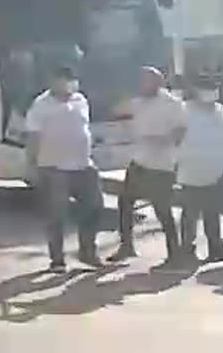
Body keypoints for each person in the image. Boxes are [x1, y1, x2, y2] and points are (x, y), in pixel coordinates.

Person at [24, 65, 102, 273]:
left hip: (83, 165)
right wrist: (31, 165)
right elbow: (33, 137)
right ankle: (57, 260)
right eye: (60, 79)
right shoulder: (41, 105)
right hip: (54, 167)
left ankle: (88, 251)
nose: (65, 83)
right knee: (56, 215)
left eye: (69, 79)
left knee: (94, 207)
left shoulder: (80, 100)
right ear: (51, 81)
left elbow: (84, 128)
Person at [109, 67, 185, 267]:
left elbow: (180, 133)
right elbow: (117, 111)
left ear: (157, 82)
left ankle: (174, 254)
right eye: (140, 81)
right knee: (125, 202)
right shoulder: (138, 102)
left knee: (163, 210)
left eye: (146, 81)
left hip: (161, 166)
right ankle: (126, 246)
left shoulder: (172, 104)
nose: (142, 84)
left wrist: (161, 140)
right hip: (139, 161)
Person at [176, 75, 223, 263]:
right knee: (190, 215)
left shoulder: (220, 111)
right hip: (191, 172)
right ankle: (187, 250)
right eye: (206, 88)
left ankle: (215, 249)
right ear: (195, 90)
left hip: (216, 173)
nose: (211, 92)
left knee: (213, 214)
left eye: (214, 88)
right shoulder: (184, 110)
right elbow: (175, 136)